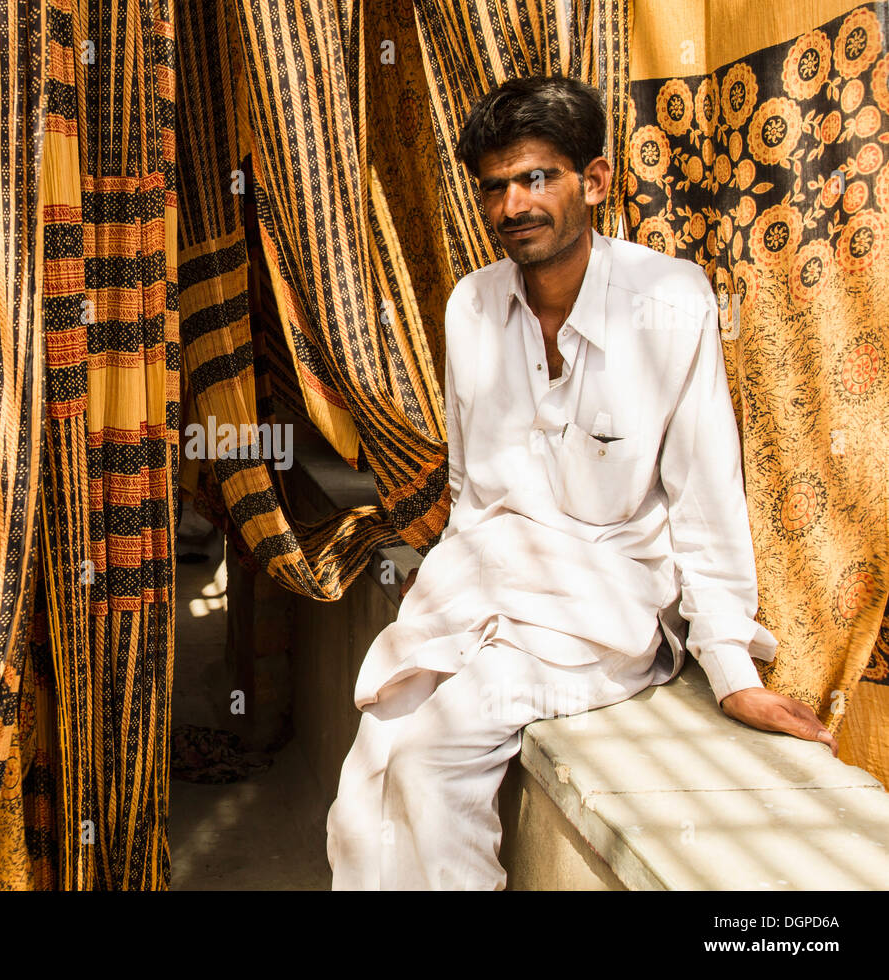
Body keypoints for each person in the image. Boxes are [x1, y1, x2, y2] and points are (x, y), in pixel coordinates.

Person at [325, 75, 836, 891]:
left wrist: (733, 672)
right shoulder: (471, 306)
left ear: (593, 181)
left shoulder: (670, 302)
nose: (512, 205)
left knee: (425, 757)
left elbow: (705, 497)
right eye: (495, 188)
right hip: (482, 590)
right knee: (375, 757)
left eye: (536, 178)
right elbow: (469, 492)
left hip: (603, 611)